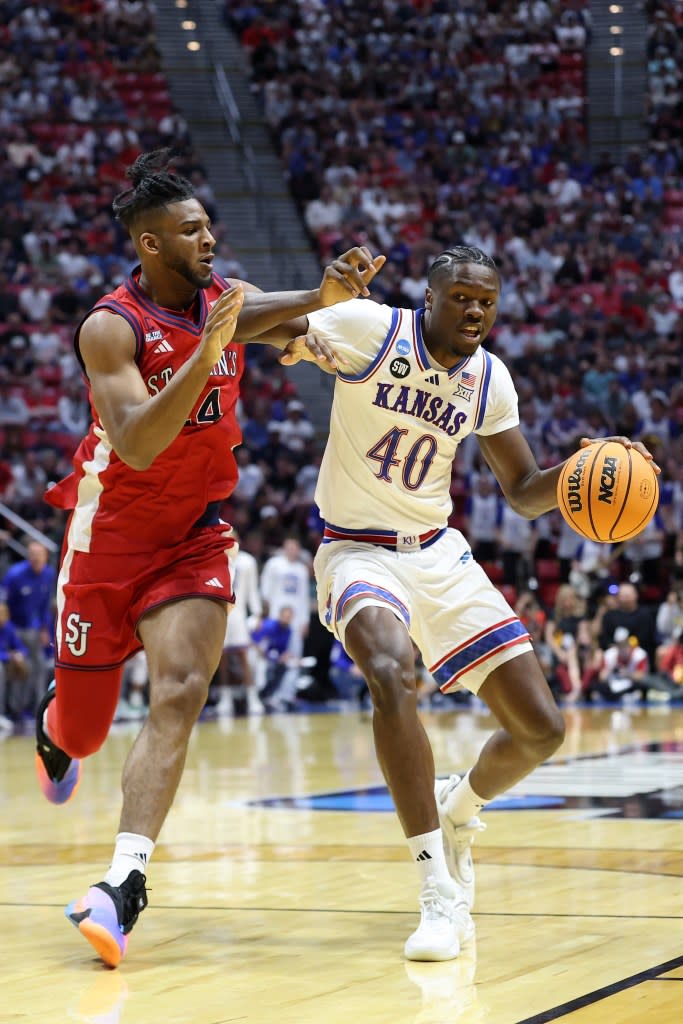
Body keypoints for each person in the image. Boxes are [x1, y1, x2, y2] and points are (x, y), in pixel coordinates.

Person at [253, 244, 658, 962]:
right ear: (430, 298)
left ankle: (461, 808)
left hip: (438, 554)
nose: (475, 311)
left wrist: (587, 468)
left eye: (487, 301)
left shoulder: (487, 378)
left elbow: (525, 490)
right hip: (356, 549)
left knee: (541, 731)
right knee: (387, 667)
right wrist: (310, 318)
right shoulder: (371, 329)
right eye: (462, 297)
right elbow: (253, 322)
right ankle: (436, 887)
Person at [34, 147, 385, 968]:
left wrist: (325, 300)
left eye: (207, 227)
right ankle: (58, 722)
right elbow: (137, 443)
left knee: (181, 692)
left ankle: (122, 883)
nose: (208, 241)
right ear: (150, 245)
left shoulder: (226, 300)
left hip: (193, 534)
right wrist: (204, 353)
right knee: (84, 734)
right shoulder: (109, 326)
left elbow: (275, 318)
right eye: (190, 232)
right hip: (108, 538)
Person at [2, 539, 55, 715]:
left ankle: (39, 706)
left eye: (39, 554)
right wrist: (10, 634)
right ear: (27, 556)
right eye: (32, 554)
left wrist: (45, 629)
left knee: (40, 666)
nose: (35, 558)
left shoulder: (49, 574)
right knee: (22, 667)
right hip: (15, 629)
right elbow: (3, 606)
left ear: (46, 556)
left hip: (35, 629)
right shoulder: (15, 575)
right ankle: (16, 708)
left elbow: (45, 605)